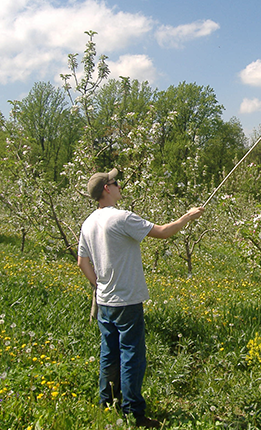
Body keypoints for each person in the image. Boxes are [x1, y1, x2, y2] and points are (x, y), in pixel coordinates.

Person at [77, 168, 204, 428]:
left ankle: (107, 403)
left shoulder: (88, 223)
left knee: (108, 353)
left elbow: (82, 262)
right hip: (127, 301)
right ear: (106, 189)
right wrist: (187, 217)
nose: (120, 185)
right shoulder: (122, 218)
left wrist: (98, 284)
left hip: (105, 301)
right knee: (132, 355)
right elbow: (163, 232)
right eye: (116, 182)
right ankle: (134, 413)